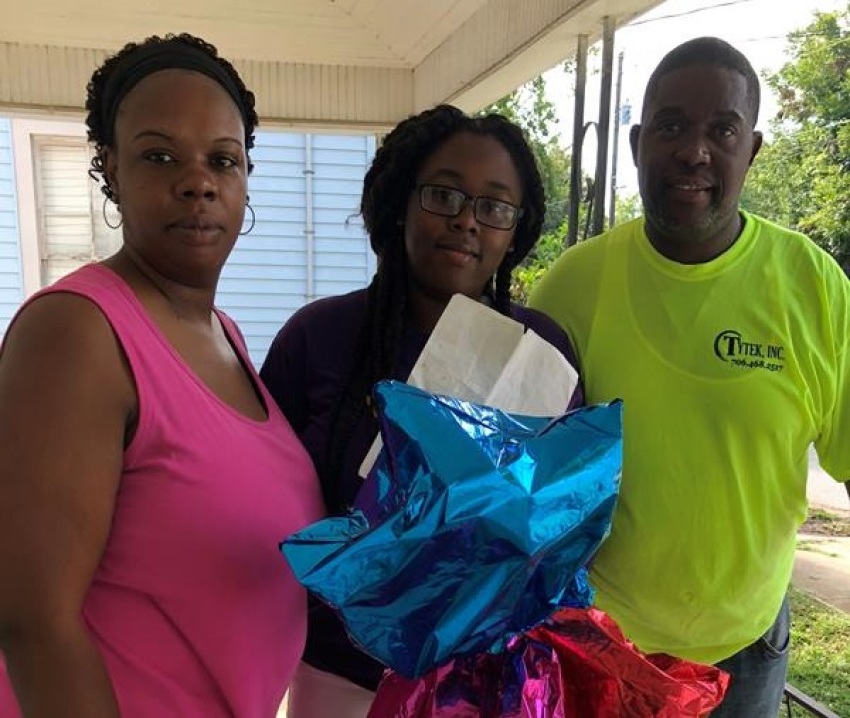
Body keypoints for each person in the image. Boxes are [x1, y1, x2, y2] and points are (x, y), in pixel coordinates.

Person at [0, 33, 323, 718]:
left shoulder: (224, 334)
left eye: (222, 160)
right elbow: (32, 621)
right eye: (160, 155)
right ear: (110, 169)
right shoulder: (77, 333)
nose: (197, 180)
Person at [529, 36, 850, 717]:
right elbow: (517, 470)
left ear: (753, 150)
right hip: (602, 644)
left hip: (748, 649)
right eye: (672, 126)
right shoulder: (573, 285)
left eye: (722, 131)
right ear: (638, 142)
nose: (694, 151)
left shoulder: (814, 286)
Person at [260, 104, 583, 717]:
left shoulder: (540, 353)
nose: (466, 221)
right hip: (339, 676)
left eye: (494, 207)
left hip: (481, 683)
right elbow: (265, 504)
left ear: (515, 230)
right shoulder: (320, 336)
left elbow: (561, 524)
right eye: (444, 194)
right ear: (401, 202)